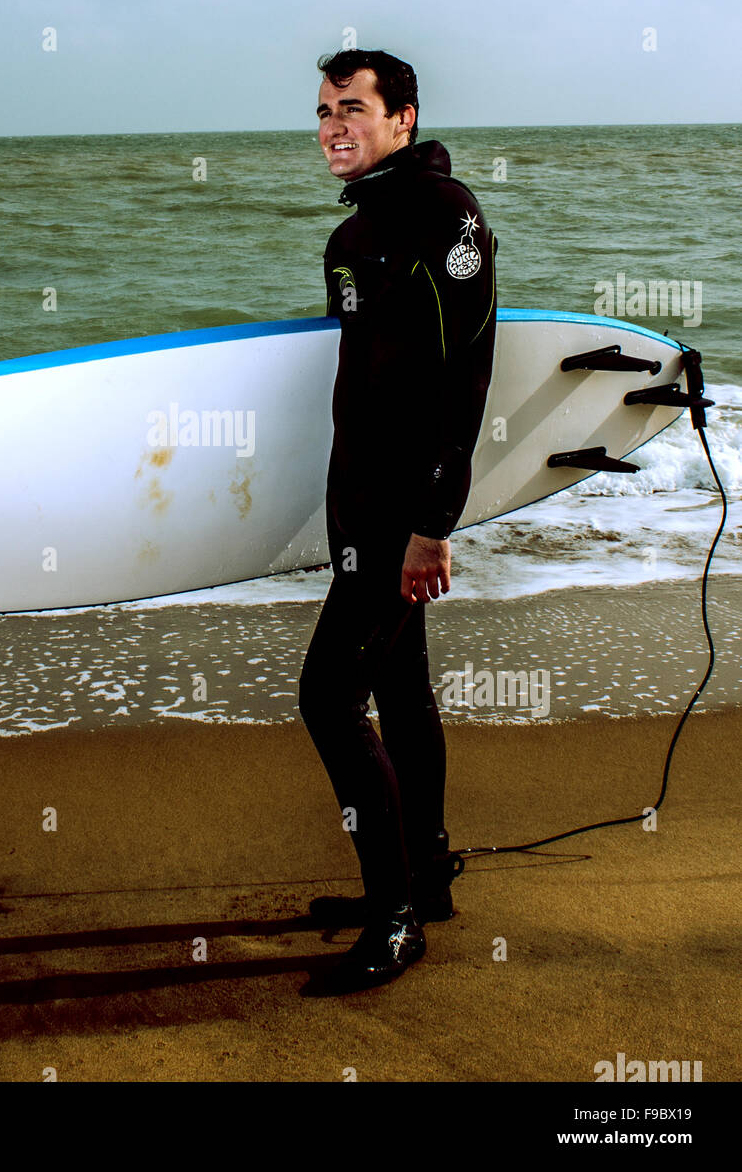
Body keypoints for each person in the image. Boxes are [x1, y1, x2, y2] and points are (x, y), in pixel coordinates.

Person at [298, 48, 497, 996]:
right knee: (400, 683)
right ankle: (427, 876)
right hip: (360, 504)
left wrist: (434, 520)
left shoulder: (446, 217)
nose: (334, 125)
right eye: (326, 110)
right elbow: (361, 384)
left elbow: (466, 377)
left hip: (403, 512)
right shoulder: (354, 235)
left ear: (404, 119)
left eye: (354, 109)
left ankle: (395, 919)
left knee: (330, 699)